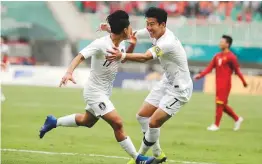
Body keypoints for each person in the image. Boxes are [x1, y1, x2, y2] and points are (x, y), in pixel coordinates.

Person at [39, 10, 157, 164]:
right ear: (124, 30)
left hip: (104, 92)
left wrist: (131, 46)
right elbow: (80, 56)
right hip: (94, 92)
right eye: (129, 28)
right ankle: (138, 158)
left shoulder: (120, 42)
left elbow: (122, 60)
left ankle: (53, 122)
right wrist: (68, 73)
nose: (131, 31)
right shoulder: (100, 44)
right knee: (117, 123)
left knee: (87, 121)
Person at [104, 7, 193, 164]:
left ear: (163, 25)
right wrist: (111, 29)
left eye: (152, 24)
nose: (149, 28)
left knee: (153, 122)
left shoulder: (168, 42)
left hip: (180, 88)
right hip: (167, 81)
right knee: (142, 116)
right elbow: (132, 34)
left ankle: (139, 157)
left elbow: (146, 57)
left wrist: (123, 55)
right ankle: (157, 152)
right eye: (147, 24)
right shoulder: (152, 31)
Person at [194, 35, 247, 131]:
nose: (220, 43)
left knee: (219, 104)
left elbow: (237, 70)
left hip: (225, 84)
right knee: (222, 105)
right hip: (218, 83)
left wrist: (243, 81)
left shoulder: (231, 57)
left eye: (222, 41)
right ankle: (237, 119)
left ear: (227, 44)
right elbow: (209, 68)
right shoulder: (217, 56)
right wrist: (200, 76)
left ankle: (216, 125)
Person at [1, 36, 9, 102]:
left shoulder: (5, 47)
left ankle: (1, 94)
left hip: (2, 65)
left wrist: (5, 64)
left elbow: (6, 57)